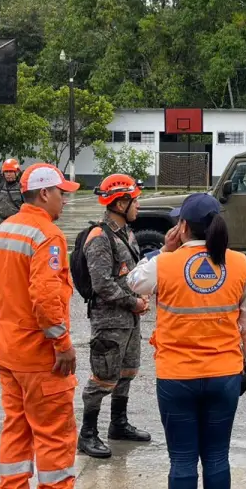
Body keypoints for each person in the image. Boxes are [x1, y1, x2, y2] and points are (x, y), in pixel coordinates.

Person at [126, 193, 246, 489]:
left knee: (183, 460)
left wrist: (164, 250)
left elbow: (133, 282)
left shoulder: (166, 264)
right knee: (218, 457)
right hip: (223, 377)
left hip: (177, 378)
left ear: (183, 227)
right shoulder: (238, 264)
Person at [0, 164, 100, 489]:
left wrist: (5, 328)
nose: (64, 199)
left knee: (16, 433)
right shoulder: (46, 235)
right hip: (40, 359)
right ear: (44, 194)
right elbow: (46, 297)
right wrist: (62, 343)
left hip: (9, 354)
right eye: (61, 192)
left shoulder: (6, 229)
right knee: (55, 438)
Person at [77, 174, 151, 459]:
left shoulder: (126, 233)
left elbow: (128, 274)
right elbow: (102, 284)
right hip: (110, 320)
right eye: (135, 201)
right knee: (102, 378)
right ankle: (87, 434)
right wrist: (133, 302)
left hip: (129, 319)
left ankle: (118, 424)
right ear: (120, 203)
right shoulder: (100, 237)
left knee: (127, 372)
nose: (138, 207)